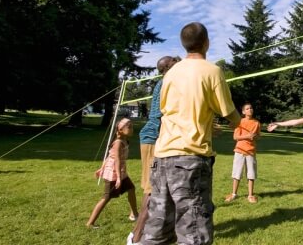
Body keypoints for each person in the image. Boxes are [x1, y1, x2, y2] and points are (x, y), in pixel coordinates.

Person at [141, 22, 241, 245]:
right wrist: (241, 124)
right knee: (193, 234)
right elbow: (227, 111)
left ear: (184, 44)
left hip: (161, 158)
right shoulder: (212, 70)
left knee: (157, 231)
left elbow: (168, 110)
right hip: (190, 160)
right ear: (206, 42)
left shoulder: (171, 73)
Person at [127, 56, 179, 245]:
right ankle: (135, 236)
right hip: (153, 138)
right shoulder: (166, 82)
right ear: (166, 67)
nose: (177, 61)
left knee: (160, 188)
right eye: (173, 60)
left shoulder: (167, 81)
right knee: (151, 190)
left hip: (158, 137)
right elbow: (164, 113)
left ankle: (165, 230)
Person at [87, 118, 139, 228]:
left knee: (131, 189)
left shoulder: (125, 140)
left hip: (120, 172)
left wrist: (101, 168)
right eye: (129, 127)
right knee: (106, 197)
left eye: (132, 126)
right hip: (114, 174)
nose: (131, 129)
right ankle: (90, 223)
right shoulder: (118, 143)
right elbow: (116, 160)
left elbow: (110, 156)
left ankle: (134, 214)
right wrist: (119, 178)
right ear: (120, 130)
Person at [224, 103, 261, 204]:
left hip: (251, 151)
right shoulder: (239, 122)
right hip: (240, 150)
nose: (250, 110)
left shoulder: (256, 123)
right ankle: (234, 194)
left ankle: (250, 195)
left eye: (251, 108)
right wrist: (247, 136)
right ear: (243, 112)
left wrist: (255, 137)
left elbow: (258, 137)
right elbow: (235, 137)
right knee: (237, 173)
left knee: (251, 174)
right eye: (247, 109)